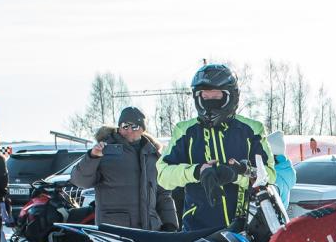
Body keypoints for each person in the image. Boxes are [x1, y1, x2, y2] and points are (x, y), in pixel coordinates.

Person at [158, 64, 276, 231]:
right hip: (197, 229)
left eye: (216, 96)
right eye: (205, 96)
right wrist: (197, 171)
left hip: (247, 227)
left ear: (231, 96)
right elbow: (163, 175)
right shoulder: (185, 130)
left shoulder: (252, 130)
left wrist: (238, 173)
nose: (210, 102)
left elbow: (269, 176)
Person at [75, 106, 177, 230]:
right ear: (119, 128)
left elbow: (163, 194)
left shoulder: (153, 155)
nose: (129, 130)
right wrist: (92, 157)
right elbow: (80, 181)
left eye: (134, 126)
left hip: (150, 230)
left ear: (142, 129)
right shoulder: (105, 151)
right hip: (115, 231)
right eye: (125, 126)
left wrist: (170, 224)